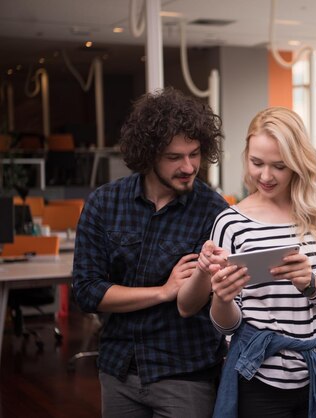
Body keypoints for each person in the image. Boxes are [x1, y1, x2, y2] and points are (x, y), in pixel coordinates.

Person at [177, 106, 316, 418]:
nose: (265, 176)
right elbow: (229, 325)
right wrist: (222, 299)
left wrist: (311, 282)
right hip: (260, 377)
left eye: (279, 166)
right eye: (257, 163)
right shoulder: (231, 222)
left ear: (298, 162)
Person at [72, 88, 228, 418]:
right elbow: (87, 292)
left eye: (195, 154)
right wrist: (163, 291)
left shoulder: (213, 211)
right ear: (148, 155)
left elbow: (197, 301)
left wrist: (183, 291)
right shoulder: (104, 203)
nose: (189, 167)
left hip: (185, 373)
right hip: (119, 369)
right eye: (175, 157)